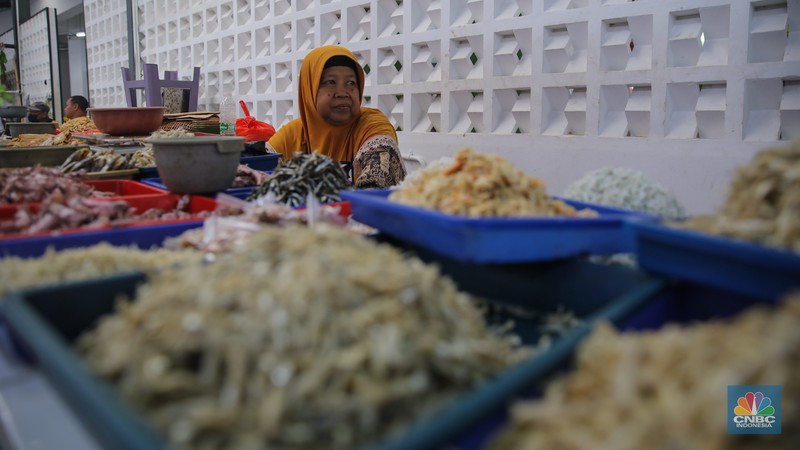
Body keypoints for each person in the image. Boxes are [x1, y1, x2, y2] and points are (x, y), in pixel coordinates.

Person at [267, 45, 406, 188]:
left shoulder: (372, 125)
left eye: (350, 83)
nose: (342, 93)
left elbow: (379, 179)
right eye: (330, 82)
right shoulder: (292, 135)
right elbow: (254, 172)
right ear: (309, 89)